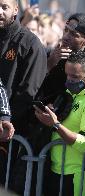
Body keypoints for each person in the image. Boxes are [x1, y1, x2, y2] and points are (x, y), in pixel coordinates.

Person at [35, 51, 85, 196]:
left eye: (74, 77)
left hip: (76, 176)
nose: (69, 80)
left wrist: (55, 125)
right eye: (67, 75)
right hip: (52, 169)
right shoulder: (70, 92)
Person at [36, 12, 85, 106]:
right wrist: (50, 63)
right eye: (65, 30)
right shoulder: (51, 54)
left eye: (74, 34)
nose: (65, 36)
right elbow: (33, 84)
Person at [0, 0, 47, 135]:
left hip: (10, 131)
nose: (0, 12)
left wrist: (6, 120)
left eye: (4, 7)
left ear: (15, 10)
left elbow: (28, 93)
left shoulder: (30, 44)